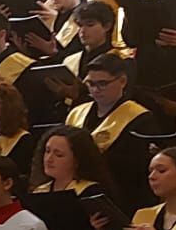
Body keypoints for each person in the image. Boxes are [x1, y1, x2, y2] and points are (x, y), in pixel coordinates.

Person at [64, 55, 161, 207]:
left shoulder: (140, 118)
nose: (95, 89)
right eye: (90, 83)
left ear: (122, 81)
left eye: (102, 83)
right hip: (77, 190)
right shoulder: (77, 113)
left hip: (120, 195)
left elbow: (136, 167)